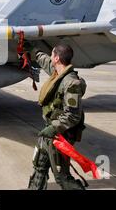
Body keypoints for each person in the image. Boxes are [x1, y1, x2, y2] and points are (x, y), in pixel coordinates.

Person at [27, 44, 87, 190]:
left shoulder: (71, 83)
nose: (50, 57)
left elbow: (72, 116)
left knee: (62, 177)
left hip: (62, 135)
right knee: (39, 168)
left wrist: (53, 129)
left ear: (57, 58)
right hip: (50, 132)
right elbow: (44, 60)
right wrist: (32, 49)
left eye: (52, 54)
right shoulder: (57, 73)